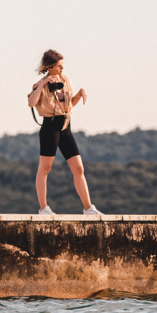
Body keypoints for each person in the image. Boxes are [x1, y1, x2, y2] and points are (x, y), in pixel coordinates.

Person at [27, 50, 102, 216]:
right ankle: (43, 208)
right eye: (59, 65)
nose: (62, 68)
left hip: (66, 126)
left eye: (62, 65)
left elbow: (67, 106)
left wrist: (80, 93)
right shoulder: (40, 84)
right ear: (50, 67)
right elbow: (31, 103)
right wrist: (43, 84)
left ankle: (88, 208)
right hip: (50, 127)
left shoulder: (65, 80)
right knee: (45, 168)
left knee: (78, 168)